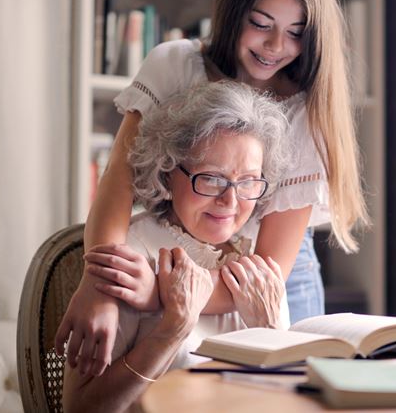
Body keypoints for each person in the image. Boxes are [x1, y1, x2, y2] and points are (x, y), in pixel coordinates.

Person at [56, 0, 369, 376]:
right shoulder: (175, 66)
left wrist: (157, 294)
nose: (276, 46)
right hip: (175, 252)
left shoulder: (305, 111)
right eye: (261, 23)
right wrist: (100, 286)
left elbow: (270, 268)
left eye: (296, 33)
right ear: (233, 12)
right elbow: (117, 186)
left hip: (271, 276)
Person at [63, 81, 289, 413]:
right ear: (168, 172)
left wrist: (270, 333)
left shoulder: (258, 269)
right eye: (212, 178)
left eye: (248, 182)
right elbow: (80, 408)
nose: (230, 200)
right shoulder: (129, 256)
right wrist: (171, 331)